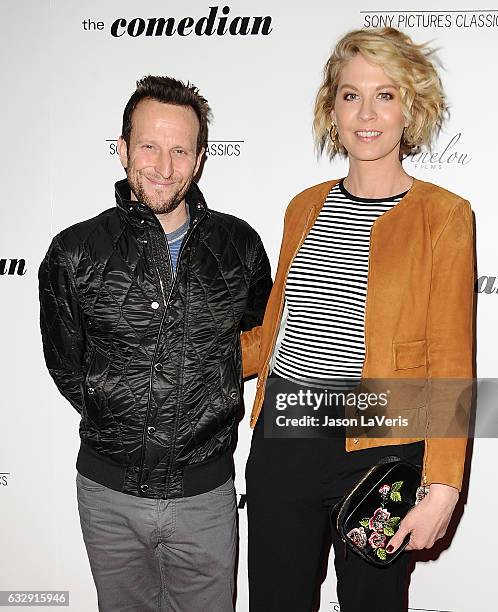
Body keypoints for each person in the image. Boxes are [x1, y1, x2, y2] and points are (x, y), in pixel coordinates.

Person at [245, 28, 474, 611]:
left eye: (385, 94)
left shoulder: (445, 217)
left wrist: (443, 488)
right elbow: (272, 335)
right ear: (332, 108)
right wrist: (189, 354)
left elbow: (450, 360)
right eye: (350, 95)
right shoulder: (304, 205)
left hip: (381, 447)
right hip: (285, 441)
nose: (366, 113)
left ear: (411, 108)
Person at [38, 75, 272, 612]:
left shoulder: (239, 246)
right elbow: (66, 364)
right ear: (122, 151)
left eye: (179, 150)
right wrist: (117, 412)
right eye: (148, 146)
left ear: (199, 159)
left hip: (207, 496)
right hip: (107, 496)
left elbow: (253, 341)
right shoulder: (75, 251)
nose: (163, 167)